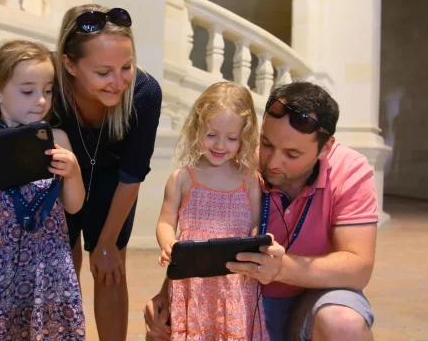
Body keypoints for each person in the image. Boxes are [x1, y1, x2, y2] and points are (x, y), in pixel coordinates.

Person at [145, 82, 377, 341]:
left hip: (315, 295)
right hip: (249, 300)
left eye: (292, 153)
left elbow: (359, 269)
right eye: (266, 143)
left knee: (343, 324)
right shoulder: (238, 160)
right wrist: (167, 293)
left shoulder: (350, 170)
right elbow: (201, 229)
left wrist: (281, 268)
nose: (273, 162)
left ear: (325, 148)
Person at [0, 39, 86, 340]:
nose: (41, 100)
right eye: (27, 91)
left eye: (47, 90)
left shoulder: (56, 138)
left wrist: (72, 173)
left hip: (45, 267)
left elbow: (74, 206)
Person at [54, 4, 162, 340]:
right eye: (103, 73)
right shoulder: (48, 87)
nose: (118, 82)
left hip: (112, 182)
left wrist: (106, 244)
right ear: (69, 65)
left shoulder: (144, 93)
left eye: (126, 67)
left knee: (110, 270)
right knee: (62, 274)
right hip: (58, 180)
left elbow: (132, 175)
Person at [156, 82, 268, 340]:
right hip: (193, 283)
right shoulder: (183, 178)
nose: (220, 145)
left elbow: (254, 226)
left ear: (244, 137)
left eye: (231, 138)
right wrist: (168, 242)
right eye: (211, 134)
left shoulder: (249, 180)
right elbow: (165, 221)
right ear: (197, 130)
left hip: (235, 285)